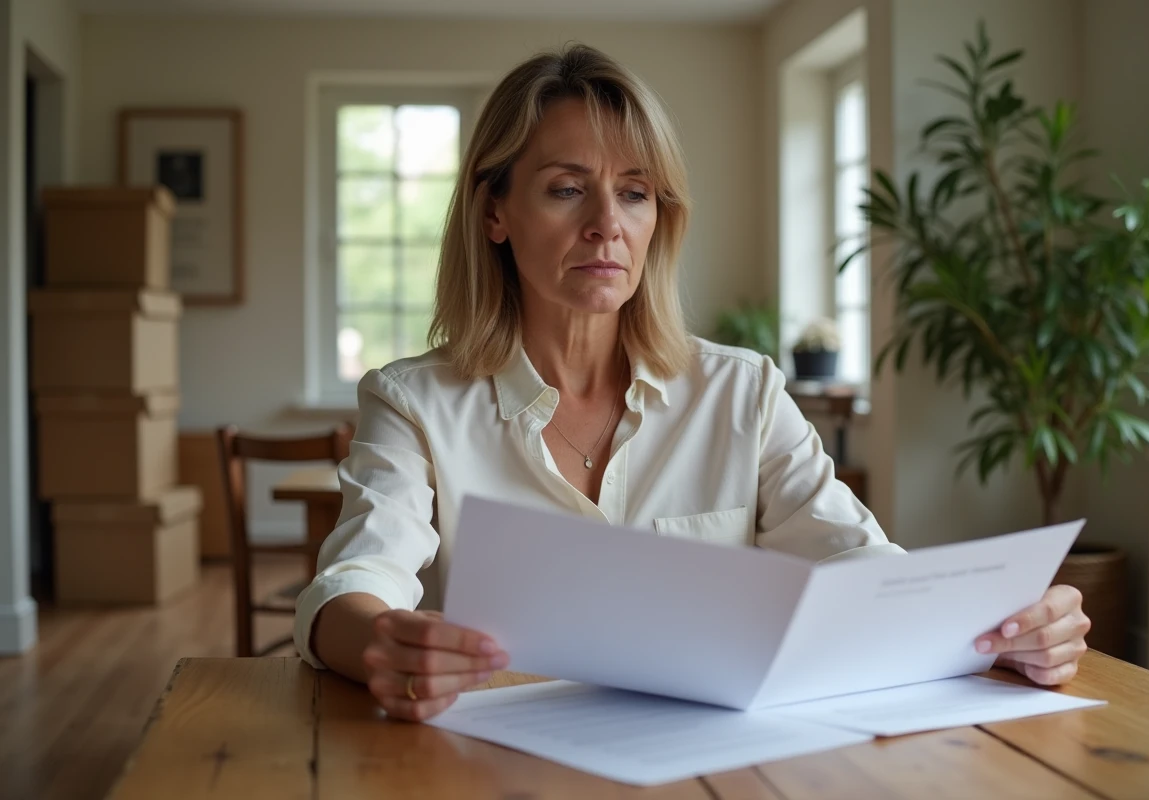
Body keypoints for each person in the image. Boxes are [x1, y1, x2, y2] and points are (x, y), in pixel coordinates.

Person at [294, 44, 1091, 722]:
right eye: (567, 188)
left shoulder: (741, 393)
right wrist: (382, 642)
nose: (607, 222)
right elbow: (352, 583)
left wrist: (1008, 625)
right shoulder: (413, 402)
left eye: (634, 193)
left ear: (657, 219)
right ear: (495, 212)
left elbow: (862, 566)